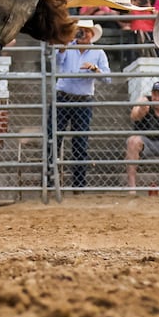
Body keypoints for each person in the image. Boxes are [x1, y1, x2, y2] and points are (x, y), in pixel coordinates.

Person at [54, 14, 112, 190]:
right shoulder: (67, 47)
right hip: (63, 97)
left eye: (86, 32)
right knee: (53, 139)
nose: (83, 35)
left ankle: (79, 185)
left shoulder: (98, 53)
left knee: (80, 143)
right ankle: (50, 181)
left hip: (82, 100)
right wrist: (65, 44)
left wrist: (95, 69)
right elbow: (56, 61)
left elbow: (107, 78)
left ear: (91, 35)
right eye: (80, 32)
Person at [124, 80, 159, 195]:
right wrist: (142, 110)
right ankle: (132, 187)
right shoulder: (145, 101)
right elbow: (134, 116)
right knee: (133, 140)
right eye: (154, 94)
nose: (157, 98)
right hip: (146, 142)